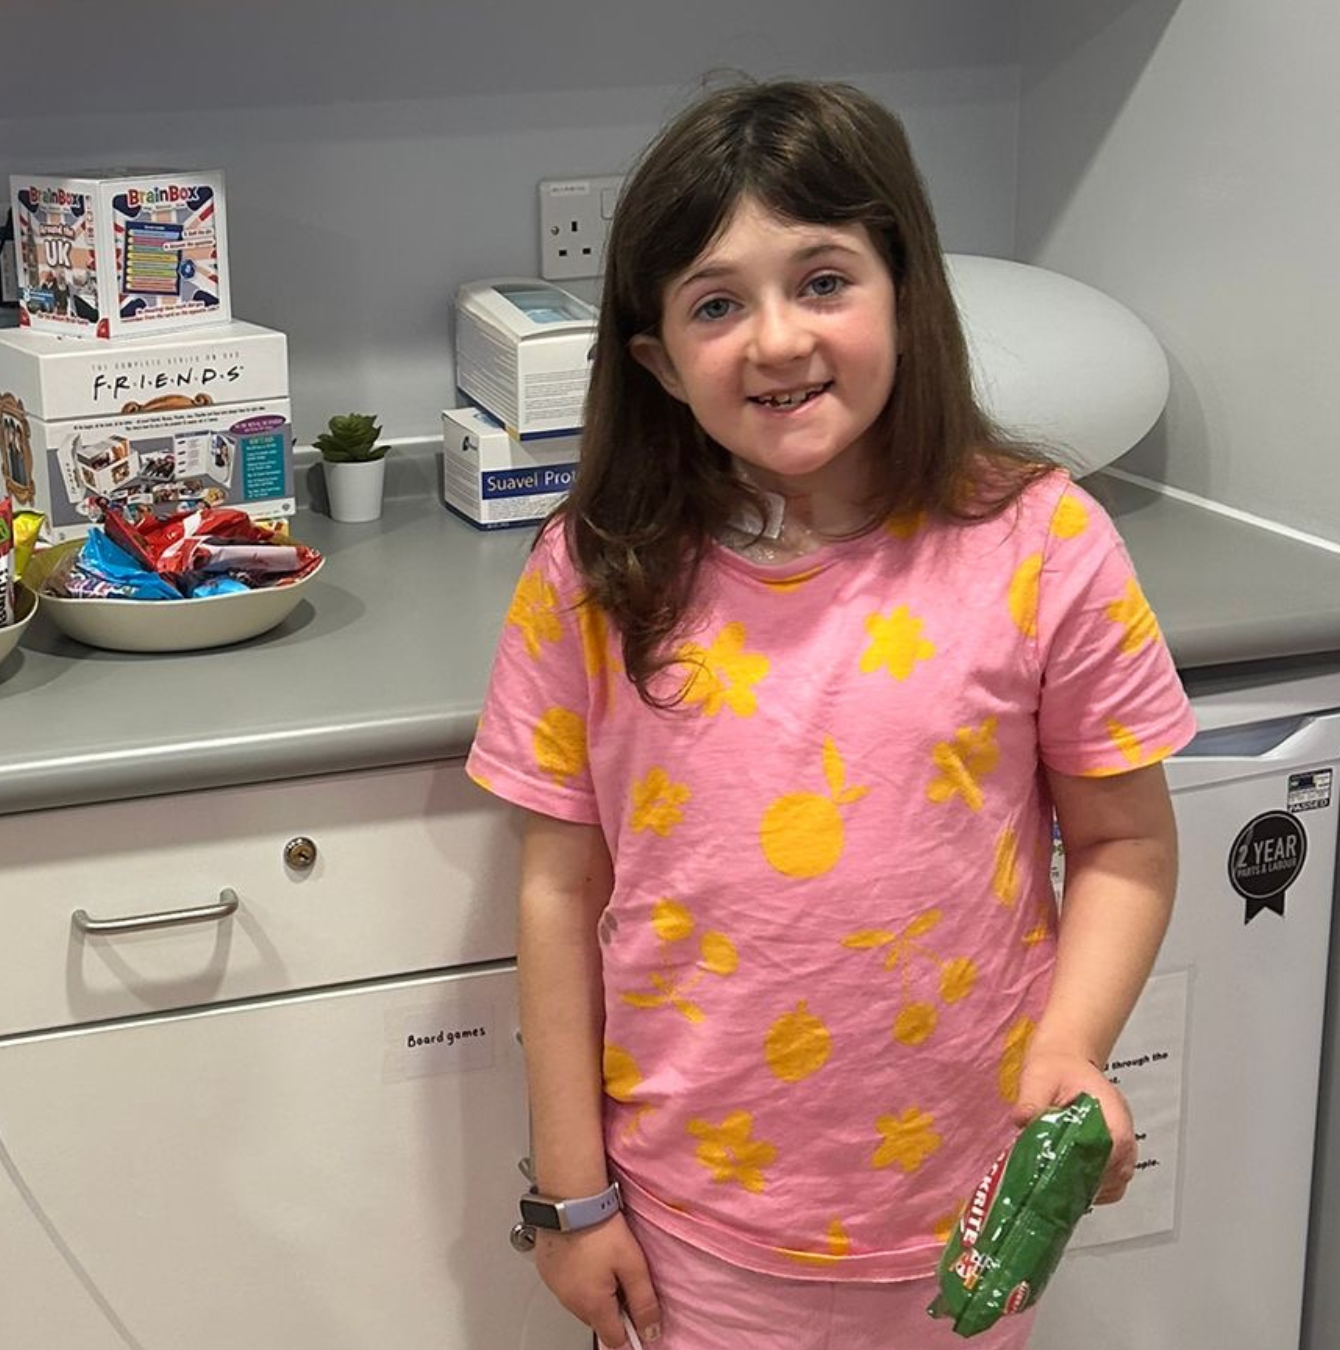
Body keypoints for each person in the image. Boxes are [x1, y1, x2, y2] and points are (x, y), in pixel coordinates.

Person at [467, 79, 1194, 1350]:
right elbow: (557, 893)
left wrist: (1074, 1050)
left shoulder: (1044, 545)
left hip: (962, 1207)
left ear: (906, 294)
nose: (777, 340)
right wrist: (571, 1201)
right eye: (714, 304)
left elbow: (1127, 845)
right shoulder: (591, 572)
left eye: (821, 281)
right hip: (689, 1227)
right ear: (655, 361)